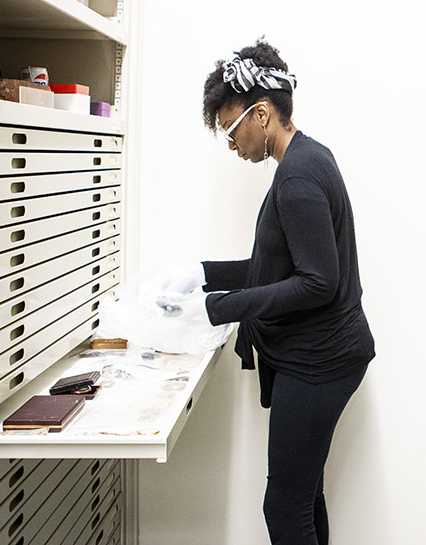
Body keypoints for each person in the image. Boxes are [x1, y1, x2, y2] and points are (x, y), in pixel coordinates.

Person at [161, 39, 375, 544]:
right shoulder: (305, 159)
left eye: (232, 131)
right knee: (302, 496)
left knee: (283, 507)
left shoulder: (297, 176)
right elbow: (271, 266)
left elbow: (317, 283)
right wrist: (201, 273)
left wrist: (215, 308)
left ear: (262, 114)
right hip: (325, 354)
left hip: (320, 360)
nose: (232, 145)